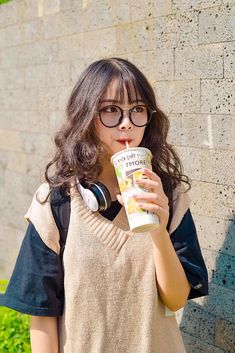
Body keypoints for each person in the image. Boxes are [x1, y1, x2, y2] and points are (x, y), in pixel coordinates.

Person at [1, 57, 208, 353]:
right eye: (111, 110)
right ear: (86, 116)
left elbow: (175, 300)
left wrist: (159, 232)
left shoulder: (168, 197)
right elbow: (42, 315)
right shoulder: (56, 202)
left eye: (137, 110)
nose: (126, 123)